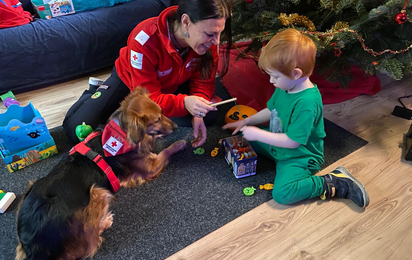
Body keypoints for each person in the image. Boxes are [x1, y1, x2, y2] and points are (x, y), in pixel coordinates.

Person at [222, 28, 370, 208]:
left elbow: (293, 142)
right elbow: (271, 111)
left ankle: (334, 182)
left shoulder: (307, 103)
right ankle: (264, 147)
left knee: (283, 194)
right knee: (241, 139)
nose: (271, 81)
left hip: (299, 155)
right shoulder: (285, 86)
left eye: (274, 76)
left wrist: (259, 135)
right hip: (277, 143)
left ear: (296, 73)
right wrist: (246, 122)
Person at [63, 0, 232, 147]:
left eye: (219, 33)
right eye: (210, 34)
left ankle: (139, 113)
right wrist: (184, 103)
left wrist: (198, 111)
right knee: (78, 130)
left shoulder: (207, 44)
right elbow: (146, 97)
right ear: (186, 22)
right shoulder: (144, 38)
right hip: (132, 83)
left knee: (210, 114)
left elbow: (204, 82)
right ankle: (95, 92)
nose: (216, 42)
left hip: (175, 82)